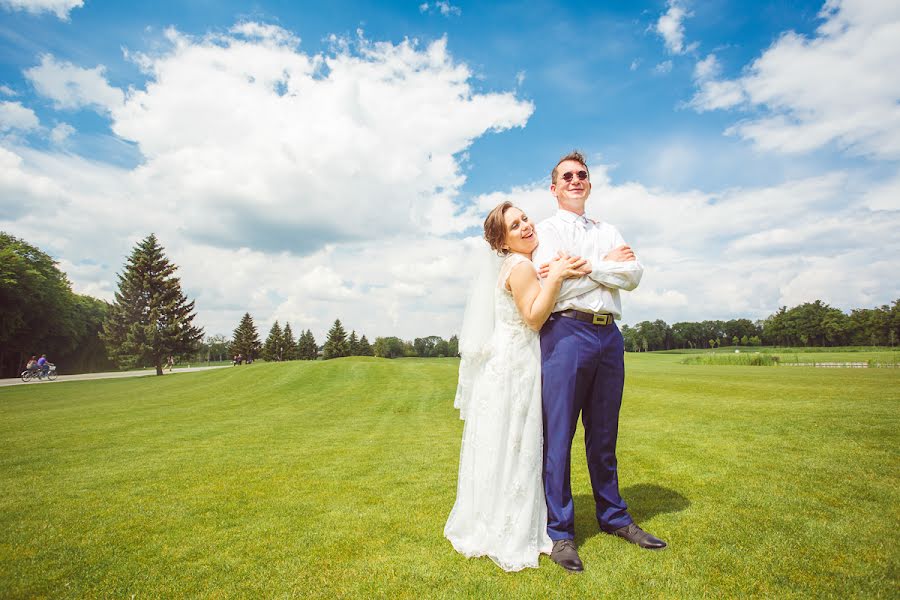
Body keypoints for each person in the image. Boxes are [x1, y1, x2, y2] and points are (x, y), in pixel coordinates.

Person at [532, 151, 666, 573]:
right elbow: (553, 283)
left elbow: (634, 275)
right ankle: (560, 532)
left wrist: (584, 267)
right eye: (566, 176)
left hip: (610, 336)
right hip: (566, 334)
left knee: (604, 434)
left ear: (589, 184)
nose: (575, 180)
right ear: (553, 187)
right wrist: (607, 267)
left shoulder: (608, 229)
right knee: (559, 436)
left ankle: (614, 517)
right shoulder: (545, 231)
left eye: (582, 175)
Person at [445, 201, 588, 571]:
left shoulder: (514, 265)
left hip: (506, 363)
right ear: (503, 242)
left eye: (525, 218)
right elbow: (535, 317)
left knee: (504, 446)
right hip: (517, 366)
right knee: (517, 443)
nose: (525, 226)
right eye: (515, 226)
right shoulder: (521, 266)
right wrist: (556, 276)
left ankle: (494, 519)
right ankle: (512, 528)